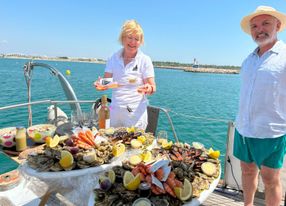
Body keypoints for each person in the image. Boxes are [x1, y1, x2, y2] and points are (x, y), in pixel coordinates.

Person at [234, 5, 286, 206]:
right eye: (254, 26)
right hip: (244, 129)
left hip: (271, 132)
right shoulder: (249, 60)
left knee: (271, 180)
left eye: (266, 23)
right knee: (247, 172)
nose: (259, 29)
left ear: (278, 25)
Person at [94, 19, 156, 130]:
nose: (133, 42)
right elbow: (109, 81)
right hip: (115, 114)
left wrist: (148, 88)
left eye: (136, 39)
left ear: (140, 42)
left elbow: (152, 88)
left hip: (135, 116)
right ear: (123, 38)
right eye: (130, 37)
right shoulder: (113, 58)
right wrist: (101, 83)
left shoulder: (145, 60)